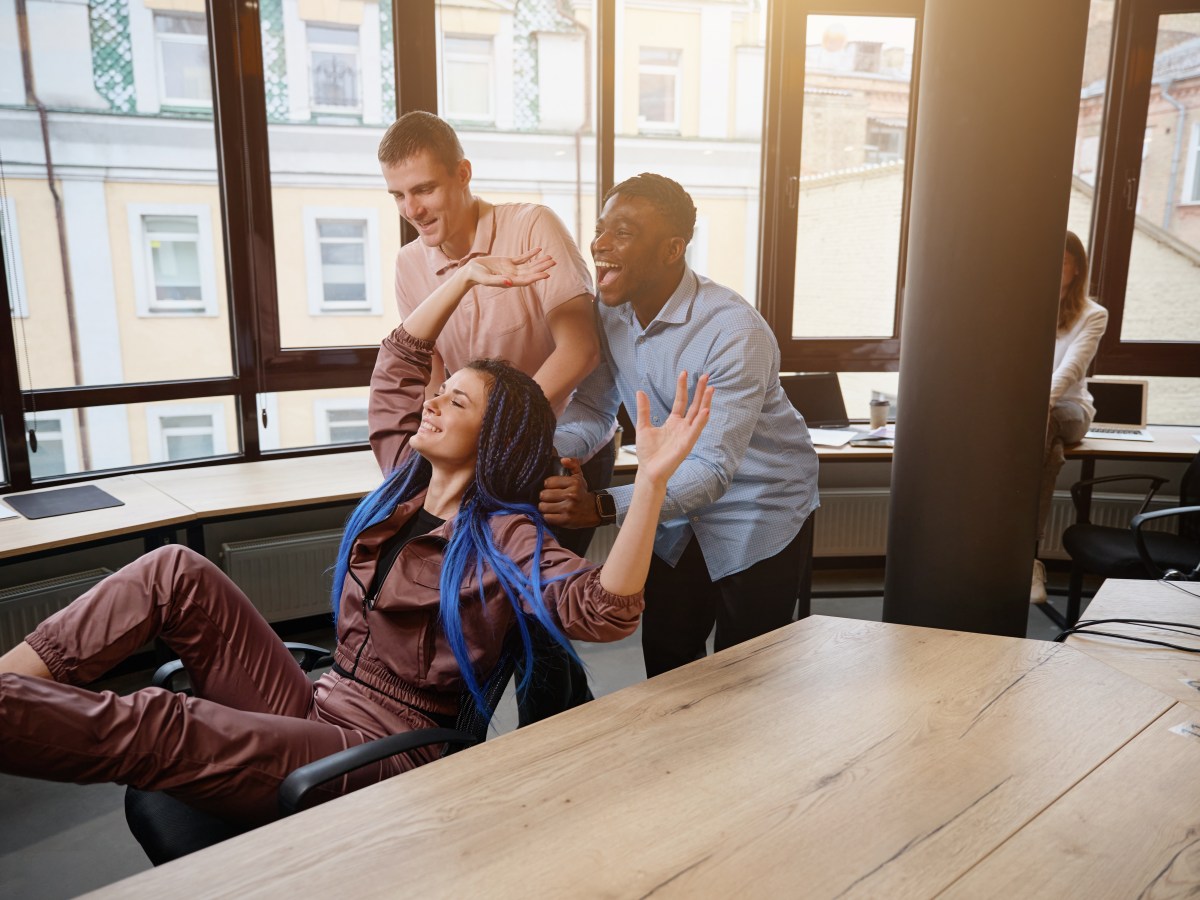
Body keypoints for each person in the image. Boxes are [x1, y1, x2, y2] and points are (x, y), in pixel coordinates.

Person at [0, 249, 712, 826]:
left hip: (384, 747)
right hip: (319, 699)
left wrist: (647, 485)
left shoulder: (506, 537)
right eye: (441, 392)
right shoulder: (404, 477)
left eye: (455, 400)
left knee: (164, 722)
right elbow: (401, 361)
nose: (433, 402)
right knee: (174, 571)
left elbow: (605, 608)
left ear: (491, 437)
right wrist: (464, 277)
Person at [379, 111, 612, 720]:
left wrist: (503, 430)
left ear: (462, 174)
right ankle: (558, 726)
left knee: (534, 617)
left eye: (425, 189)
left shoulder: (531, 225)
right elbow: (428, 374)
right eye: (399, 195)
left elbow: (581, 349)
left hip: (556, 450)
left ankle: (552, 741)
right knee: (483, 611)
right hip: (476, 453)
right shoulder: (410, 266)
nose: (414, 208)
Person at [539, 173, 820, 678]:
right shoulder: (611, 314)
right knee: (668, 661)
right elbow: (594, 409)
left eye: (622, 232)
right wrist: (551, 454)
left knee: (749, 673)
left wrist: (601, 505)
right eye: (600, 229)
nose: (599, 245)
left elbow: (712, 471)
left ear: (672, 249)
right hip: (672, 504)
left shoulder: (733, 330)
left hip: (759, 503)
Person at [1031, 231, 1109, 604]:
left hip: (1071, 410)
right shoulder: (1027, 307)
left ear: (1076, 268)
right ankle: (1026, 561)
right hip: (1032, 417)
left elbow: (1071, 369)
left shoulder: (1093, 315)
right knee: (1047, 448)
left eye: (1061, 262)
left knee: (1041, 425)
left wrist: (1036, 404)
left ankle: (1027, 557)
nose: (1053, 270)